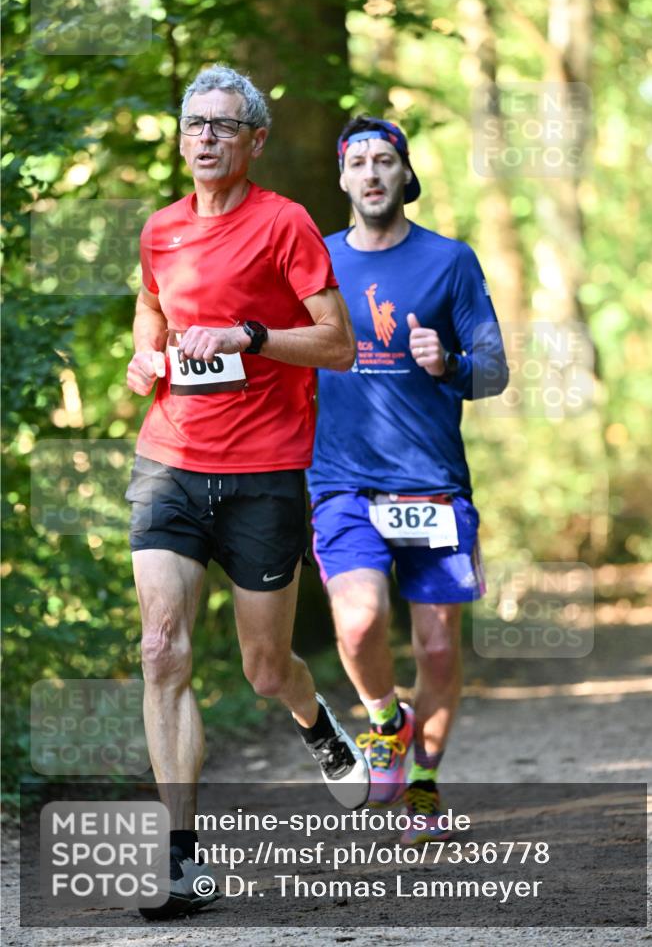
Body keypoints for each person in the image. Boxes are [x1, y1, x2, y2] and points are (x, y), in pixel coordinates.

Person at [125, 66, 369, 919]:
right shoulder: (159, 231)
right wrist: (144, 357)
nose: (205, 138)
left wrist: (253, 335)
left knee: (266, 671)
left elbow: (337, 345)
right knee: (162, 650)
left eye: (224, 126)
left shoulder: (285, 224)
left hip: (265, 470)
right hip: (171, 462)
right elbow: (150, 316)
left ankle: (316, 725)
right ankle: (184, 862)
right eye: (195, 123)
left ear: (254, 141)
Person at [307, 116, 509, 845]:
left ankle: (423, 788)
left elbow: (493, 370)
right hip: (343, 480)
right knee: (357, 622)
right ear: (341, 178)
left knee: (437, 649)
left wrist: (447, 363)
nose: (370, 174)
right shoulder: (316, 261)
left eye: (383, 161)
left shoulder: (450, 261)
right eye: (357, 162)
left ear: (404, 173)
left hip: (431, 485)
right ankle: (385, 722)